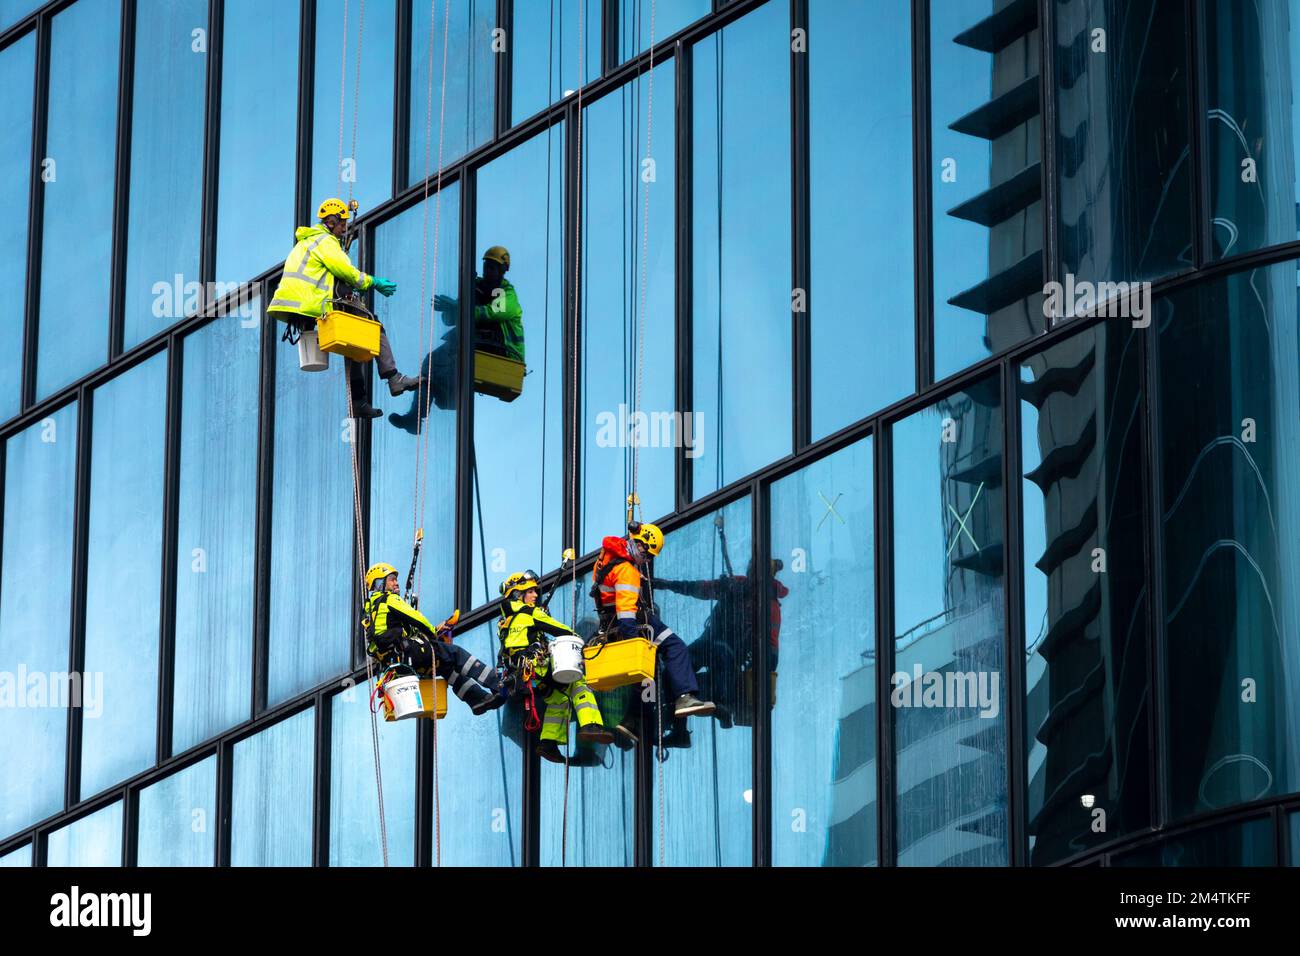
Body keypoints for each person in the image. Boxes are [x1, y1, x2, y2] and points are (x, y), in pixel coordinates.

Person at [268, 198, 421, 418]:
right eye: (342, 224)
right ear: (330, 222)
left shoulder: (306, 242)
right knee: (372, 326)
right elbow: (347, 272)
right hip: (316, 301)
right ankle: (394, 378)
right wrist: (373, 282)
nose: (344, 228)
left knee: (354, 338)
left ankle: (358, 402)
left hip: (301, 305)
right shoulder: (325, 241)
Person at [591, 522, 715, 747]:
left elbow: (612, 589)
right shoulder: (627, 571)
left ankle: (632, 720)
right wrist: (631, 644)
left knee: (649, 672)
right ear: (638, 545)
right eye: (646, 555)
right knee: (675, 646)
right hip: (633, 622)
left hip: (608, 622)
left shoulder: (607, 556)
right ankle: (684, 697)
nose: (647, 560)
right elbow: (627, 612)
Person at [655, 558, 788, 741]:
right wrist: (667, 585)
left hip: (732, 658)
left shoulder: (768, 605)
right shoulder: (736, 585)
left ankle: (719, 706)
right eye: (751, 571)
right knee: (679, 669)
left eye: (755, 573)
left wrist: (762, 672)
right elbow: (701, 588)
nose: (751, 576)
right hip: (715, 647)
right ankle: (680, 729)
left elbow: (770, 649)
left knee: (697, 667)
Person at [497, 571, 615, 764]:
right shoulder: (531, 613)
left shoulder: (504, 622)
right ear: (518, 594)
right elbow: (561, 631)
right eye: (531, 591)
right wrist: (582, 643)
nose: (535, 595)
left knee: (559, 698)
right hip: (538, 667)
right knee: (578, 683)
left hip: (525, 675)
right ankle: (590, 724)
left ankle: (548, 743)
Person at [362, 562, 505, 716]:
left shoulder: (371, 612)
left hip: (400, 663)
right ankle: (496, 682)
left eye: (395, 579)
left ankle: (478, 699)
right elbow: (417, 618)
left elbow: (390, 637)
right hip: (411, 655)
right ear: (379, 584)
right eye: (391, 579)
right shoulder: (389, 600)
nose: (396, 583)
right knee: (456, 654)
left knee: (447, 668)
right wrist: (433, 633)